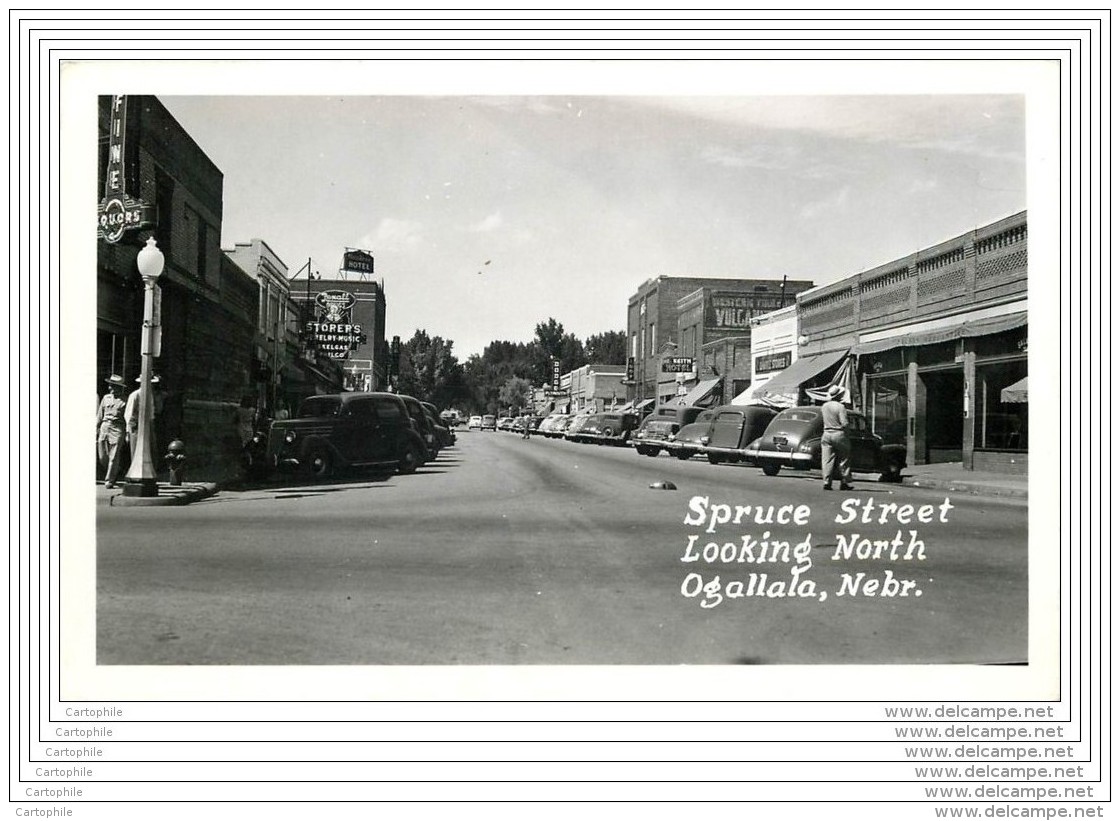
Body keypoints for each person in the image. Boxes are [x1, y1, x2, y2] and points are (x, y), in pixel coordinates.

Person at [96, 374, 128, 488]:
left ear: (119, 387)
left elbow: (127, 417)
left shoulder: (125, 400)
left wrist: (127, 432)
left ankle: (109, 480)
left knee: (114, 456)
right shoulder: (106, 398)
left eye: (113, 385)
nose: (110, 388)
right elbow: (100, 414)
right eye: (110, 385)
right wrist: (96, 427)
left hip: (117, 428)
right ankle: (116, 469)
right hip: (104, 426)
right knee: (102, 456)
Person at [820, 384, 853, 491]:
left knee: (827, 460)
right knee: (844, 458)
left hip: (826, 433)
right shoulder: (840, 407)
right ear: (839, 396)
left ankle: (827, 482)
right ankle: (844, 481)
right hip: (839, 433)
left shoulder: (824, 406)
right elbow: (845, 423)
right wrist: (847, 433)